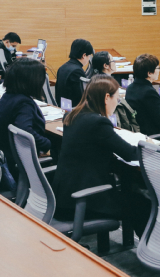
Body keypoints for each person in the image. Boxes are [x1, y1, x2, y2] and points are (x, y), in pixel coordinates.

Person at [53, 74, 151, 236]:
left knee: (132, 197)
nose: (117, 103)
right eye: (117, 99)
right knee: (142, 205)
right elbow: (129, 153)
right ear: (106, 98)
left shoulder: (72, 115)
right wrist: (151, 148)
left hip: (64, 197)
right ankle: (152, 249)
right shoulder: (98, 123)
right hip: (84, 200)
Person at [0, 58, 51, 175]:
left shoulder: (7, 96)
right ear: (32, 80)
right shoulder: (24, 103)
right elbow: (25, 131)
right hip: (23, 161)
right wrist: (46, 144)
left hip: (10, 155)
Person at [125, 54, 160, 137]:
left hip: (136, 131)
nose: (159, 70)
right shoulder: (149, 92)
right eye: (158, 68)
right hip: (150, 135)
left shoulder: (130, 88)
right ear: (149, 73)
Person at [55, 38, 94, 108]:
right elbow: (81, 97)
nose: (89, 59)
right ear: (84, 55)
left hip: (63, 107)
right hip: (73, 109)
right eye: (89, 56)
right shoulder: (77, 71)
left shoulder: (62, 67)